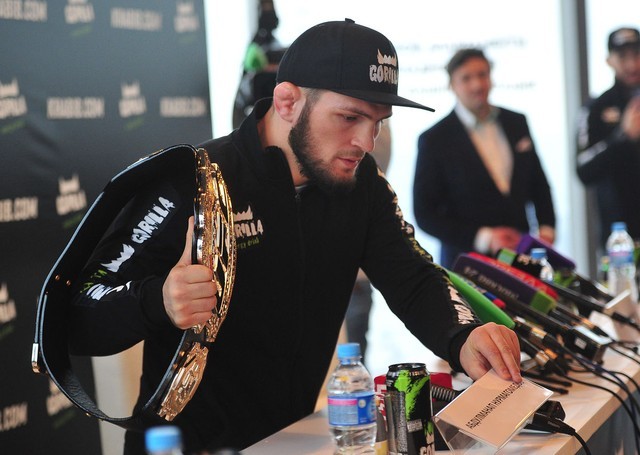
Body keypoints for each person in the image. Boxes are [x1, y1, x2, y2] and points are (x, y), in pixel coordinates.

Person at [67, 21, 521, 454]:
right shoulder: (193, 181)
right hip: (185, 447)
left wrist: (463, 337)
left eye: (378, 121)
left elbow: (413, 276)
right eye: (349, 117)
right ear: (287, 102)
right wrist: (159, 301)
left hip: (294, 441)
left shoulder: (362, 184)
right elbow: (77, 314)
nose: (366, 142)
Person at [413, 48, 556, 269]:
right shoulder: (435, 139)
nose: (477, 85)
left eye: (482, 75)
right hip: (467, 265)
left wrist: (546, 230)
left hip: (521, 258)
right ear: (452, 85)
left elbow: (538, 183)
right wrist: (485, 237)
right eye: (466, 78)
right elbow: (425, 213)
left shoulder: (516, 122)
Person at [577, 27, 640, 249]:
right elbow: (583, 169)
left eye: (637, 54)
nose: (632, 64)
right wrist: (623, 137)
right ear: (609, 60)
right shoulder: (596, 107)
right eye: (623, 57)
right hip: (619, 237)